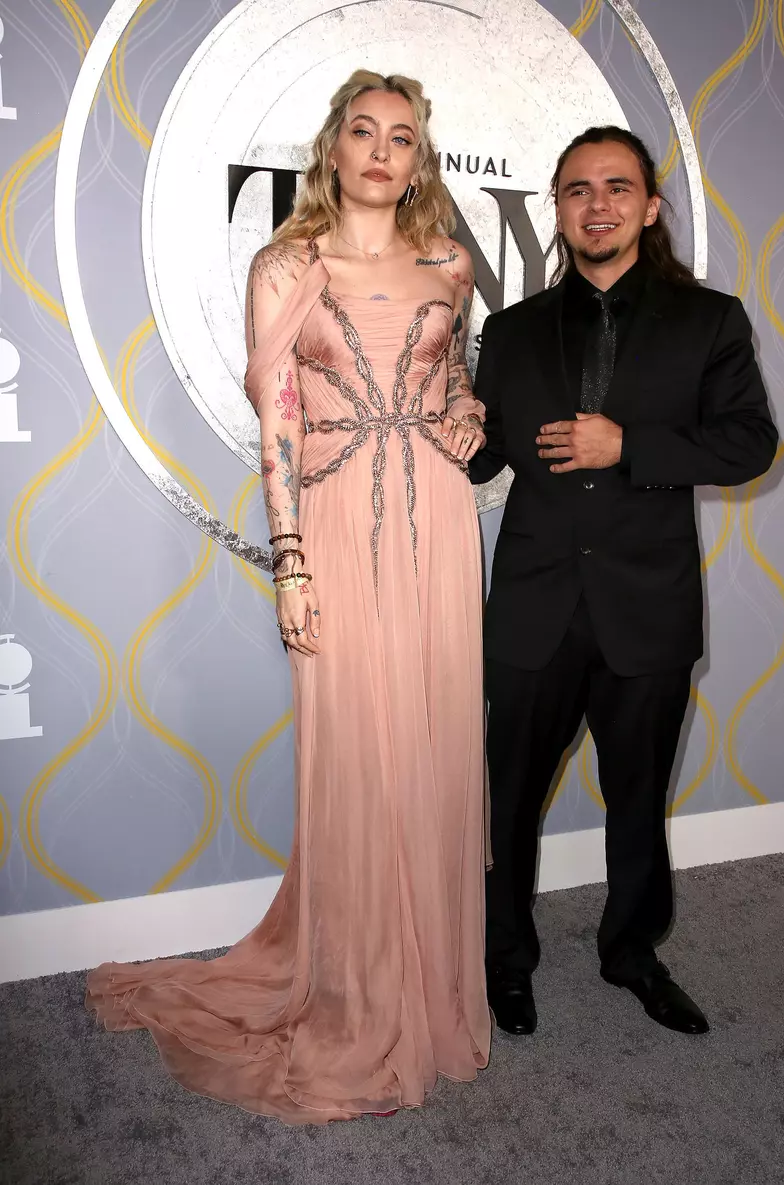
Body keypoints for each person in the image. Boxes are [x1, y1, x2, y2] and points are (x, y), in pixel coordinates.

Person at [86, 70, 490, 1124]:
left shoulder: (450, 260)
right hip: (339, 523)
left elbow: (453, 386)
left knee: (438, 746)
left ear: (418, 159)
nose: (380, 151)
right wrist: (293, 562)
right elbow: (277, 424)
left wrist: (468, 408)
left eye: (401, 137)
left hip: (440, 526)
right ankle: (356, 995)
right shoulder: (286, 265)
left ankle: (433, 992)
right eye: (362, 130)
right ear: (334, 146)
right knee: (356, 756)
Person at [470, 126, 778, 1038]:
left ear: (649, 206)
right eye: (575, 190)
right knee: (506, 801)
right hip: (532, 605)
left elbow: (749, 443)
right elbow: (484, 449)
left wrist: (629, 446)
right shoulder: (510, 330)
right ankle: (503, 959)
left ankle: (632, 952)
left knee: (639, 794)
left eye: (615, 187)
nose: (595, 204)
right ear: (556, 209)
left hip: (647, 609)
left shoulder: (711, 320)